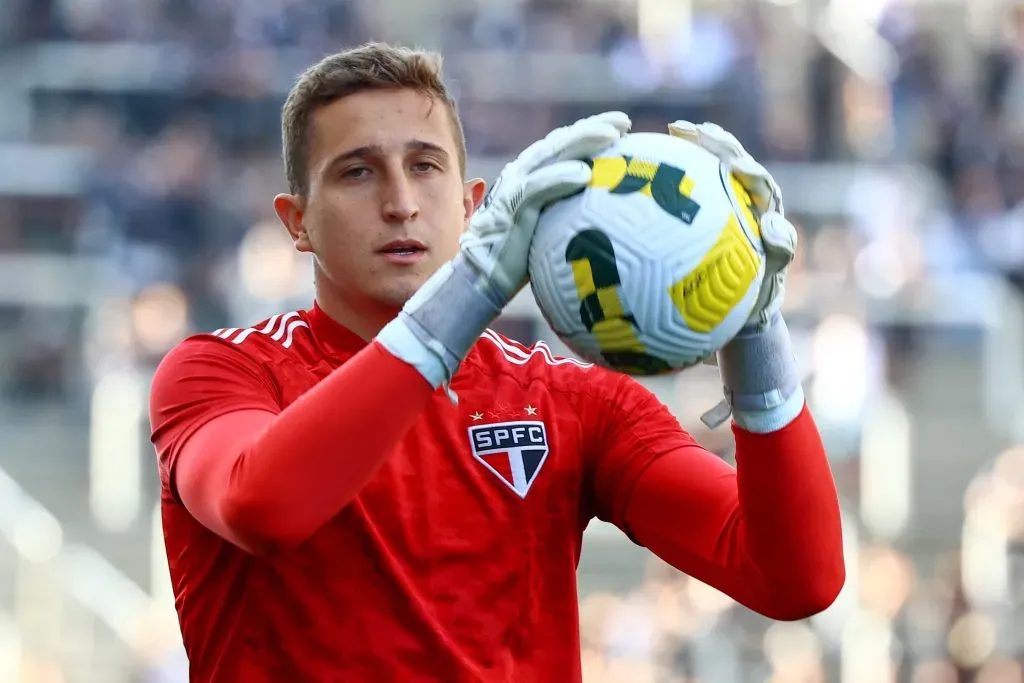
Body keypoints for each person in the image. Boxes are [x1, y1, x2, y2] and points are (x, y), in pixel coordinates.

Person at [148, 42, 845, 682]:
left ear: (470, 201)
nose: (399, 203)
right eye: (357, 172)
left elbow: (795, 578)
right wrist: (472, 287)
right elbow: (264, 506)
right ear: (296, 221)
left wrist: (754, 331)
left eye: (424, 167)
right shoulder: (219, 372)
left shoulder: (570, 398)